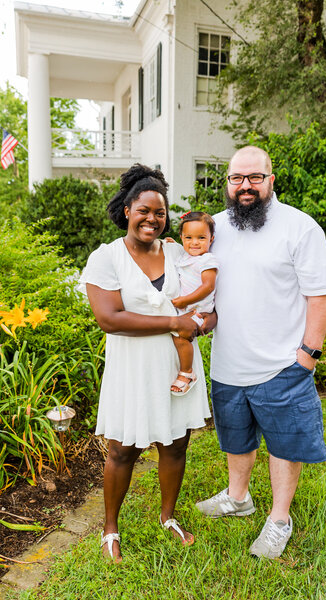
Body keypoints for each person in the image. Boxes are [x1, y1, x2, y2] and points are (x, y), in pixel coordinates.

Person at [195, 146, 326, 559]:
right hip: (228, 363)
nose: (245, 186)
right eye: (237, 178)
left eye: (254, 178)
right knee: (235, 439)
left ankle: (278, 519)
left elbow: (320, 295)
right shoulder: (215, 228)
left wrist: (308, 353)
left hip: (281, 365)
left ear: (271, 180)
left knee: (285, 445)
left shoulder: (299, 227)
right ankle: (238, 498)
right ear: (227, 183)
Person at [78, 164, 211, 564]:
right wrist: (174, 321)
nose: (152, 219)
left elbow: (205, 302)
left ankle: (167, 517)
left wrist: (201, 324)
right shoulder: (106, 258)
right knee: (122, 449)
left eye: (160, 212)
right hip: (132, 370)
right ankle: (110, 529)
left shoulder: (177, 251)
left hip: (178, 368)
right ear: (126, 211)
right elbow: (109, 318)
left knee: (175, 444)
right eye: (144, 210)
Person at [170, 211, 218, 396]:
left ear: (211, 239)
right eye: (188, 237)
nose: (194, 242)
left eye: (201, 238)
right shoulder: (185, 257)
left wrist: (184, 300)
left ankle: (187, 373)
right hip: (188, 309)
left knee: (180, 336)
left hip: (200, 310)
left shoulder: (208, 260)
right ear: (181, 237)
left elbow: (208, 286)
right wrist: (171, 244)